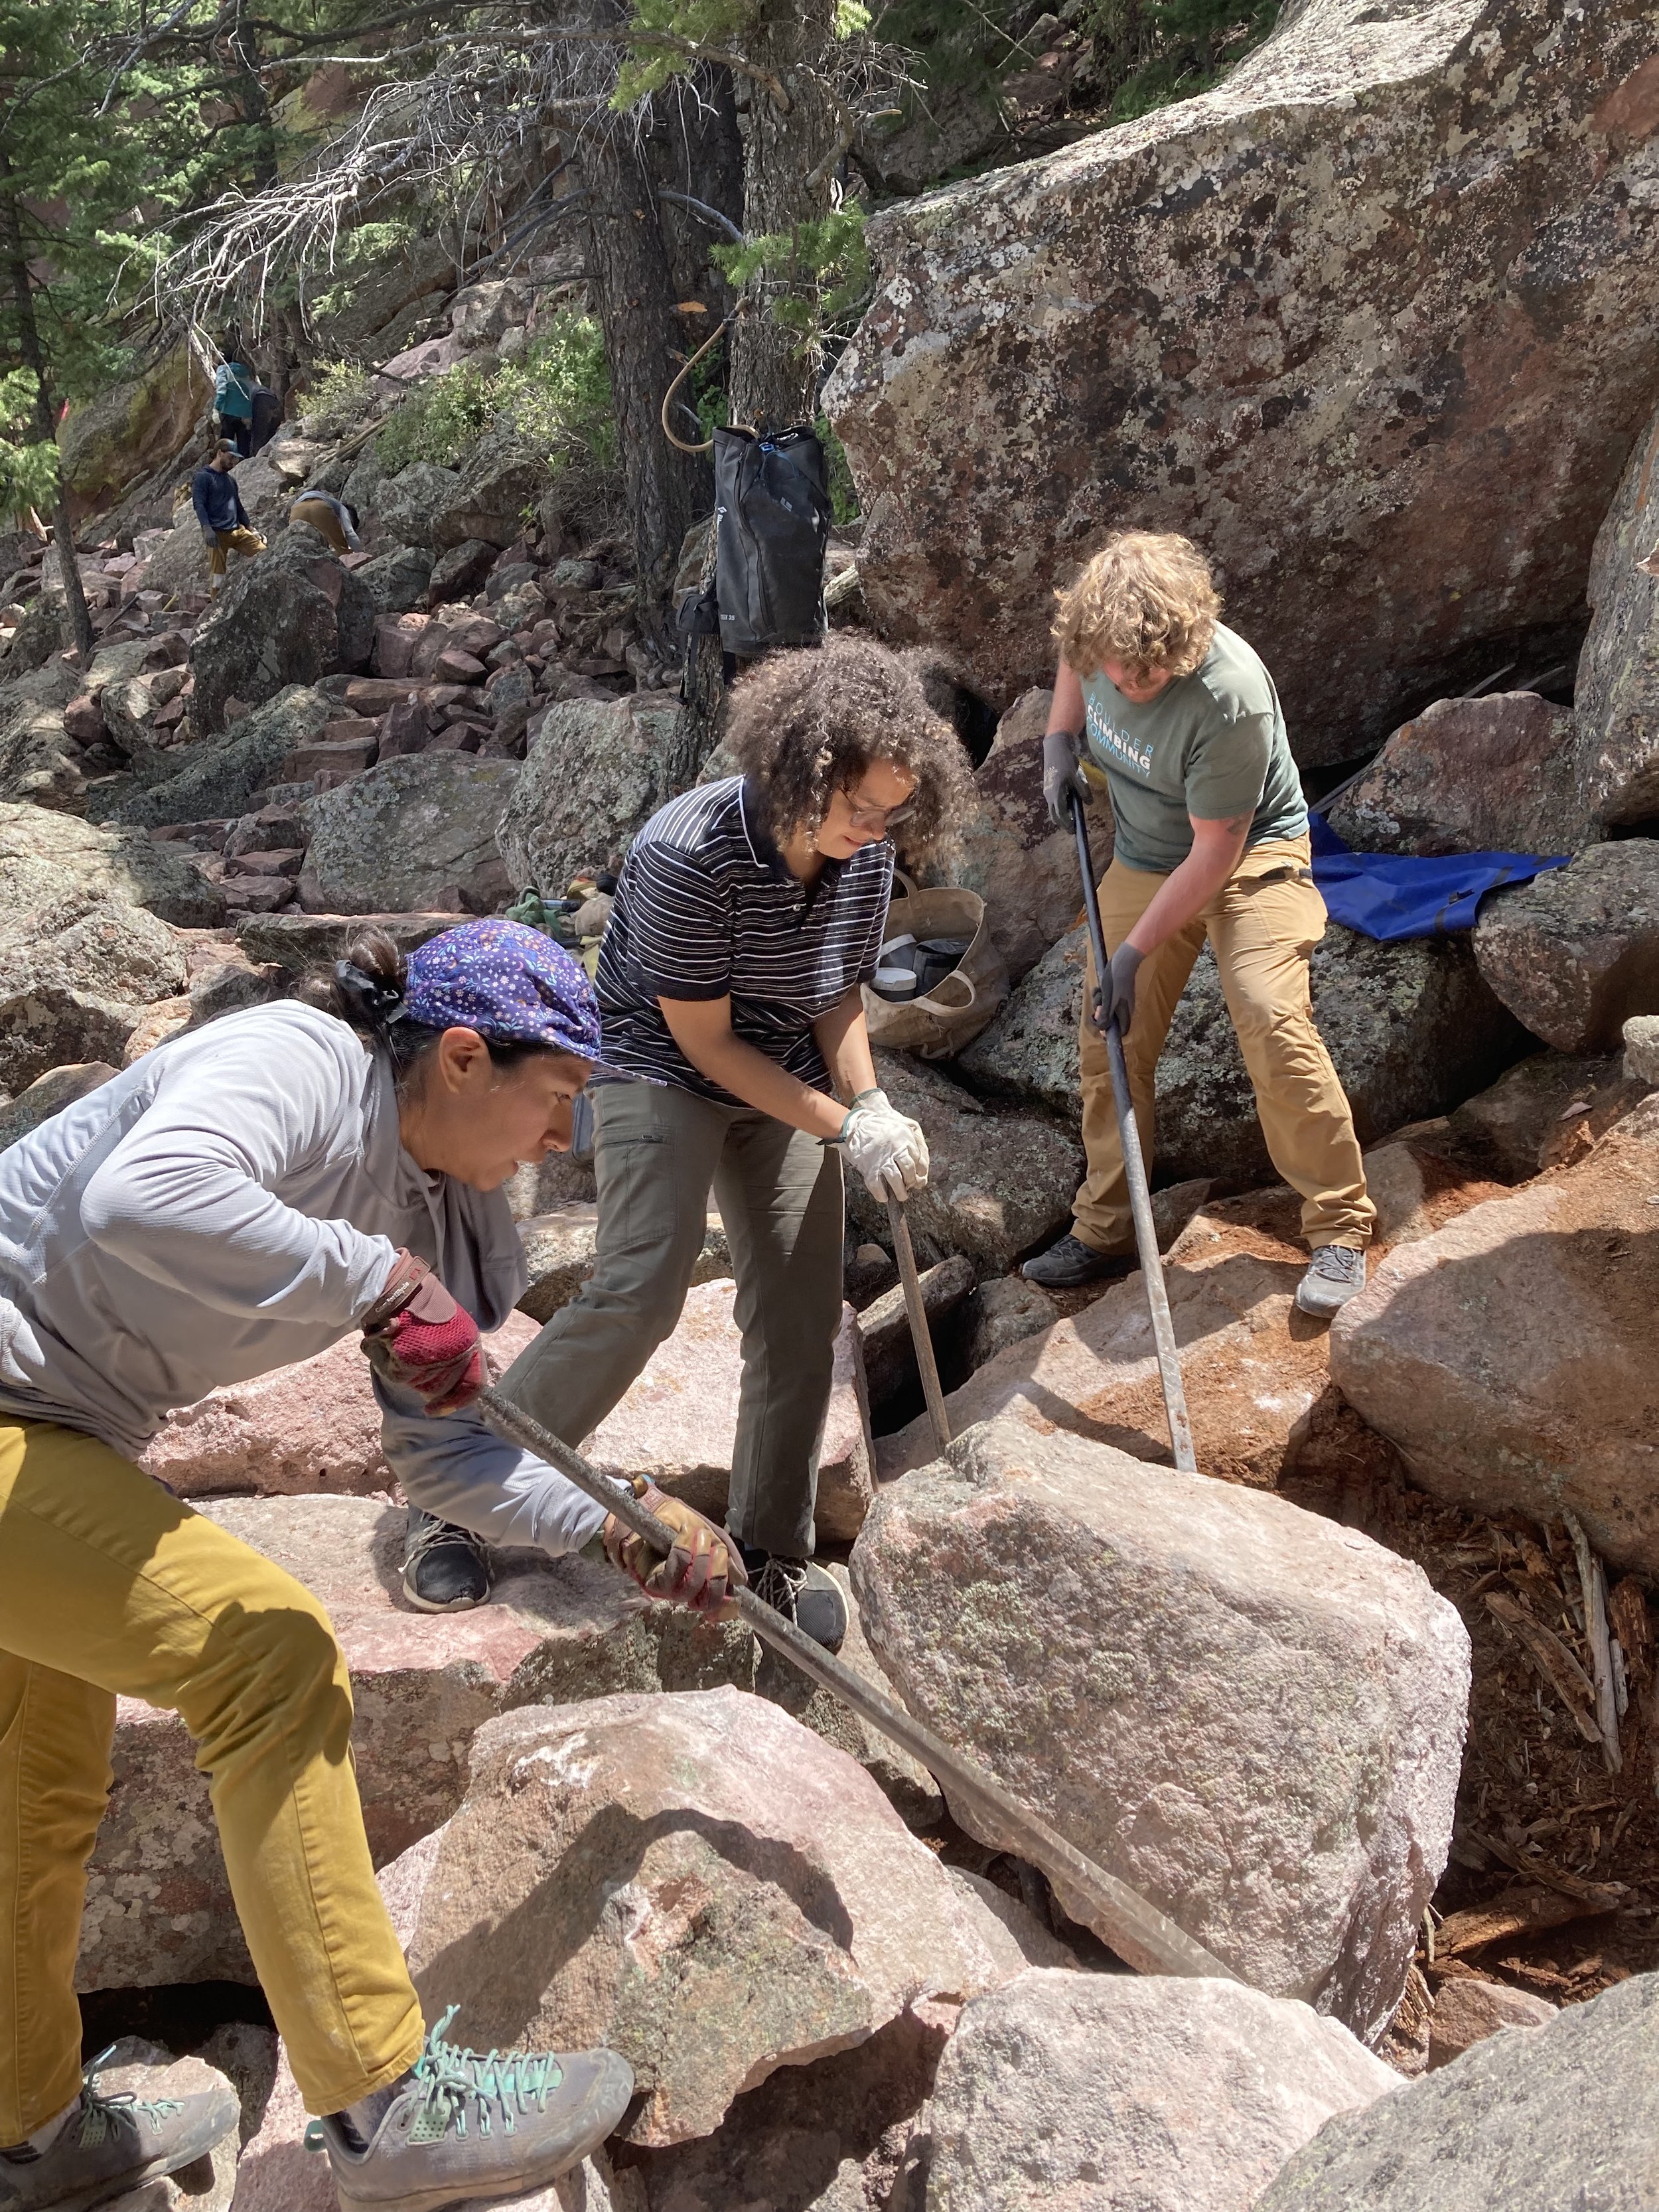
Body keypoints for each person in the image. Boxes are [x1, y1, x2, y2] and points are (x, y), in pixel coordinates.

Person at [0, 919, 743, 2212]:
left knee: (34, 1789)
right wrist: (377, 1278)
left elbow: (447, 1464)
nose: (557, 1143)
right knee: (265, 1652)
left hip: (56, 1441)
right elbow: (141, 1195)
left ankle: (27, 2133)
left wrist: (612, 1517)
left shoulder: (432, 1218)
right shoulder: (298, 1062)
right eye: (554, 1098)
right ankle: (387, 2101)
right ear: (463, 1057)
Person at [492, 635, 977, 1647]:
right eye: (861, 808)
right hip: (656, 1060)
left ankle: (770, 1551)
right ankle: (464, 1487)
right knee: (643, 1285)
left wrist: (872, 1102)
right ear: (806, 768)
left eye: (893, 812)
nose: (878, 826)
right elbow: (703, 1042)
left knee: (803, 1319)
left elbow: (833, 987)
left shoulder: (867, 849)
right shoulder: (688, 851)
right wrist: (845, 1126)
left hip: (783, 1067)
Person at [1025, 530, 1375, 1318]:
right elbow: (1075, 667)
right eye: (1114, 664)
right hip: (1149, 855)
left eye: (1147, 670)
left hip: (1248, 855)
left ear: (1180, 646)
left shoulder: (1228, 694)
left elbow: (1216, 852)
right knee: (1107, 1035)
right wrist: (1057, 739)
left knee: (1267, 1012)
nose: (1128, 680)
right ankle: (1110, 1226)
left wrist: (1134, 952)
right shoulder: (1099, 640)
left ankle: (1339, 1229)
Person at [190, 441, 265, 594]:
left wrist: (251, 529)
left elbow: (238, 506)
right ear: (219, 453)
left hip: (237, 531)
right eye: (231, 457)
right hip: (216, 534)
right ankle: (216, 610)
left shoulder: (230, 480)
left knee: (265, 555)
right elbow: (199, 505)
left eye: (235, 459)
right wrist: (207, 528)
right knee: (218, 577)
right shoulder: (203, 478)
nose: (233, 462)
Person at [291, 486, 363, 555]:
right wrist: (359, 554)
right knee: (341, 549)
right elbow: (349, 532)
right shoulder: (340, 507)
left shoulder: (297, 502)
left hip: (296, 510)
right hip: (320, 506)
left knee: (300, 544)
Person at [213, 349, 256, 455]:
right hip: (245, 413)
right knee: (244, 444)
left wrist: (216, 408)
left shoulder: (223, 369)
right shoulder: (245, 370)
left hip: (229, 411)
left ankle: (226, 468)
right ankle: (243, 466)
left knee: (226, 444)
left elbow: (222, 390)